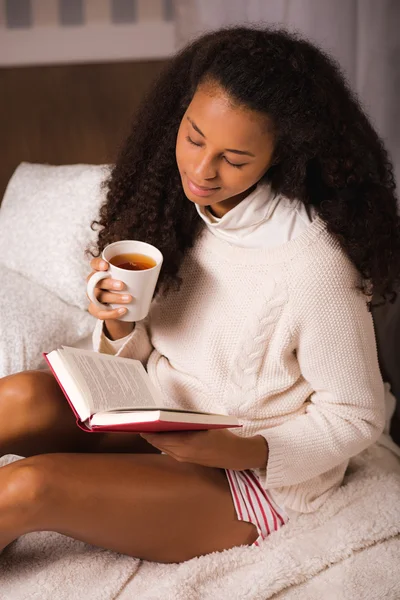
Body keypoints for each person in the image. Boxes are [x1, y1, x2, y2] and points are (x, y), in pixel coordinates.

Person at [0, 26, 399, 564]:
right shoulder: (175, 206)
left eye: (234, 160)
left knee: (29, 488)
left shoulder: (314, 269)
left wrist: (241, 449)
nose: (201, 171)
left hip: (247, 477)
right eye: (193, 138)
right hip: (157, 417)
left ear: (280, 157)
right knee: (18, 397)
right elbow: (148, 349)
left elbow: (357, 414)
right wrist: (119, 325)